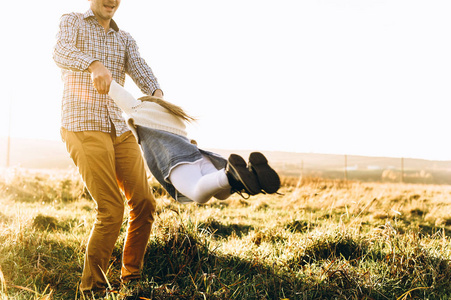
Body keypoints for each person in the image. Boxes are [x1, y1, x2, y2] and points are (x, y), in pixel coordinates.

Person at [53, 0, 161, 295]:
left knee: (144, 203)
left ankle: (132, 280)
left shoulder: (124, 38)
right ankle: (92, 289)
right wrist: (93, 63)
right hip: (83, 123)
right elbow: (60, 51)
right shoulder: (72, 21)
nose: (111, 0)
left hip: (119, 126)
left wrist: (157, 94)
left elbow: (140, 68)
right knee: (111, 208)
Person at [108, 80, 281, 204]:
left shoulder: (140, 109)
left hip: (176, 161)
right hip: (198, 156)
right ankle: (249, 178)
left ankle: (230, 175)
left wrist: (100, 73)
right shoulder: (172, 115)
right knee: (221, 194)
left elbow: (117, 92)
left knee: (198, 193)